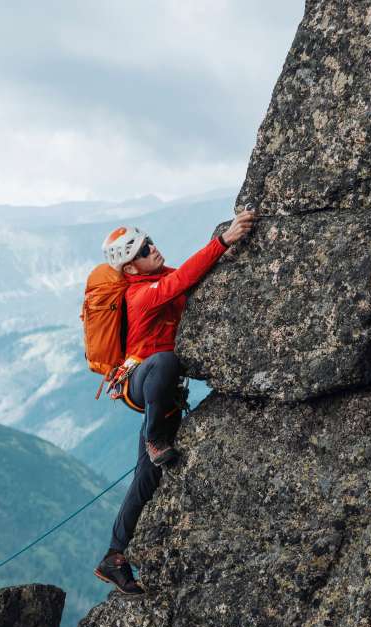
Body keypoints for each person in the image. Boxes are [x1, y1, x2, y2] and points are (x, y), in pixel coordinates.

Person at [93, 209, 257, 596]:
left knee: (146, 478)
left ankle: (114, 557)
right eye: (144, 249)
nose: (154, 248)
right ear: (131, 269)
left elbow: (188, 279)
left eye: (149, 242)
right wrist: (223, 240)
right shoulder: (139, 294)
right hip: (138, 380)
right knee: (165, 360)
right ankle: (155, 439)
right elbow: (182, 280)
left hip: (161, 391)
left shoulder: (159, 278)